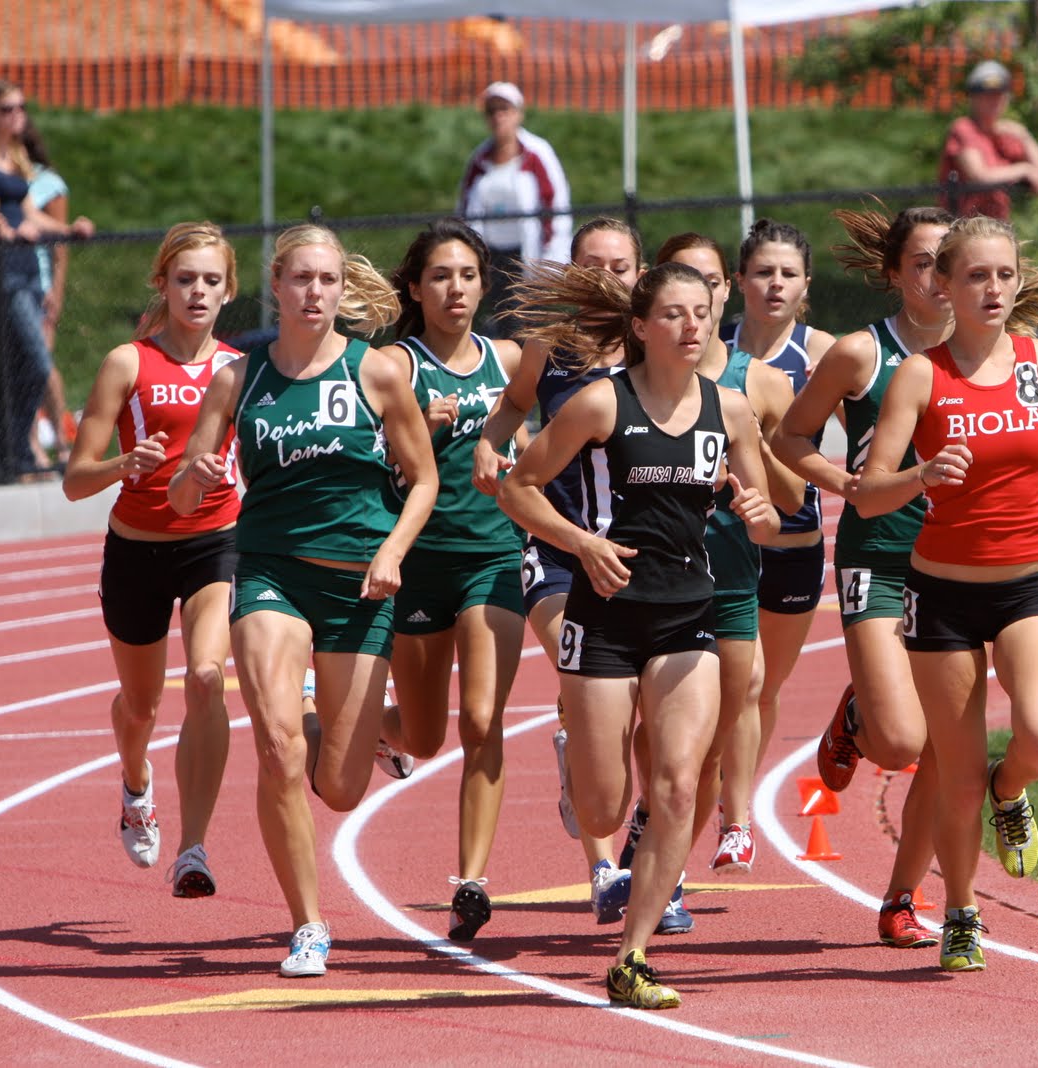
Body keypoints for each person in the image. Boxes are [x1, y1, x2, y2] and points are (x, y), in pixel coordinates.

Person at [498, 259, 780, 1009]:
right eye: (676, 315)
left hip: (690, 612)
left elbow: (772, 511)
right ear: (643, 327)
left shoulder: (733, 410)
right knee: (603, 808)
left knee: (681, 783)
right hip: (605, 616)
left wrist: (760, 517)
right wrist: (582, 544)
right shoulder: (600, 404)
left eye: (704, 312)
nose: (695, 327)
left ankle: (634, 954)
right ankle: (579, 766)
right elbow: (519, 488)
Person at [169, 223, 439, 978]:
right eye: (300, 279)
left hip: (359, 581)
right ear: (277, 285)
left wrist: (391, 552)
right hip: (270, 574)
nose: (314, 292)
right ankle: (309, 924)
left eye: (326, 280)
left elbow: (423, 481)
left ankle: (331, 722)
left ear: (339, 289)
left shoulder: (376, 372)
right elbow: (192, 481)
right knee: (277, 748)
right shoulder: (239, 377)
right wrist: (189, 473)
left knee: (342, 789)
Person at [853, 214, 1038, 972]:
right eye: (974, 276)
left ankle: (1012, 788)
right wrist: (920, 478)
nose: (992, 288)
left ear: (1018, 280)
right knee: (952, 776)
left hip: (1029, 585)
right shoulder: (921, 375)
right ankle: (962, 910)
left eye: (1003, 274)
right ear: (944, 286)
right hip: (943, 595)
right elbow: (868, 495)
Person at [773, 203, 953, 949]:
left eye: (951, 263)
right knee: (903, 741)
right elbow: (790, 436)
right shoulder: (860, 354)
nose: (938, 278)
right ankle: (858, 716)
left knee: (947, 749)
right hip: (879, 557)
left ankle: (901, 898)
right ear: (893, 274)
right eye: (922, 263)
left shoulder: (998, 354)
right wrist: (846, 484)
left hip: (966, 566)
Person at [473, 217, 650, 929]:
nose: (608, 277)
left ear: (641, 274)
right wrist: (492, 444)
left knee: (631, 710)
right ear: (572, 273)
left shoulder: (659, 347)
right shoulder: (549, 348)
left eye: (621, 266)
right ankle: (606, 873)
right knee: (589, 686)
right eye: (593, 265)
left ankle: (633, 845)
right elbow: (513, 405)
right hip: (556, 548)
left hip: (638, 556)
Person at [61, 222, 242, 898]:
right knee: (140, 706)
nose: (198, 292)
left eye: (211, 280)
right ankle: (136, 781)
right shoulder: (127, 363)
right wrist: (119, 465)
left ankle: (193, 847)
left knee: (204, 676)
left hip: (214, 541)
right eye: (185, 278)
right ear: (162, 284)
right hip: (136, 550)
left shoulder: (240, 369)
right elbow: (75, 480)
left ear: (229, 291)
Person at [369, 219, 525, 943]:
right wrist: (418, 434)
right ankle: (373, 728)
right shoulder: (395, 366)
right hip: (419, 561)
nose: (455, 288)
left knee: (483, 719)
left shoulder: (510, 359)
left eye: (467, 275)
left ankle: (471, 881)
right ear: (415, 288)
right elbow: (373, 472)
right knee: (426, 736)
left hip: (493, 557)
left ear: (483, 283)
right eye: (440, 276)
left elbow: (535, 447)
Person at [656, 232, 804, 875]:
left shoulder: (762, 383)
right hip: (657, 575)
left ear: (725, 291)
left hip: (733, 573)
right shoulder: (636, 384)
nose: (698, 299)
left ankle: (716, 833)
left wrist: (748, 448)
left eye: (710, 283)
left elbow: (795, 496)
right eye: (683, 282)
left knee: (738, 700)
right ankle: (650, 826)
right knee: (659, 733)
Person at [719, 219, 835, 795]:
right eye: (762, 272)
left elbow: (877, 434)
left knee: (762, 690)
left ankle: (731, 798)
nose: (775, 284)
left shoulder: (822, 354)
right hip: (722, 541)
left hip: (793, 541)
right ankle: (721, 804)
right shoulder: (713, 349)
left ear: (806, 284)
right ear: (738, 279)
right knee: (732, 684)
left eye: (788, 274)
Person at [0, 79, 93, 483]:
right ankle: (11, 450)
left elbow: (29, 213)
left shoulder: (18, 158)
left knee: (24, 364)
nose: (17, 117)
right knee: (33, 360)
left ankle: (5, 453)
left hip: (27, 268)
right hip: (0, 271)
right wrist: (7, 233)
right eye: (7, 109)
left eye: (21, 108)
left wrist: (66, 229)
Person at [457, 81, 572, 331]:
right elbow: (466, 208)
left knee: (527, 323)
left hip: (528, 255)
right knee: (500, 319)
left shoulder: (537, 154)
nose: (499, 117)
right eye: (492, 111)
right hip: (493, 256)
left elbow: (556, 203)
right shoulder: (479, 159)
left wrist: (551, 253)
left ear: (519, 113)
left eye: (505, 109)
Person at [21, 119, 74, 464]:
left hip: (38, 285)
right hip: (4, 284)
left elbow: (60, 246)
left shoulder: (47, 183)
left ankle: (65, 439)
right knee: (19, 368)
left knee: (41, 364)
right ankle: (31, 446)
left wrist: (57, 288)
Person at [936, 60, 1038, 220]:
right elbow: (979, 175)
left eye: (999, 95)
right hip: (964, 227)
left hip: (997, 226)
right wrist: (1024, 169)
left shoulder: (1006, 133)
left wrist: (1024, 136)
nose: (994, 101)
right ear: (973, 97)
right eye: (987, 95)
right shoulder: (963, 128)